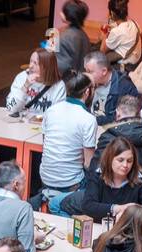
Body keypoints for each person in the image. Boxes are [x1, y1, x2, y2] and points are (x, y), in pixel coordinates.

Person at [38, 74, 98, 214]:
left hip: (45, 177)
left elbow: (45, 143)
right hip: (70, 182)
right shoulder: (88, 119)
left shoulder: (51, 110)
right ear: (87, 92)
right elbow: (88, 164)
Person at [65, 139, 142, 223]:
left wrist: (131, 212)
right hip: (100, 228)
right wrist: (118, 208)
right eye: (120, 160)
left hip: (127, 232)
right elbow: (88, 206)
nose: (125, 165)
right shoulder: (98, 175)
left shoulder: (141, 179)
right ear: (110, 159)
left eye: (129, 161)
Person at [89, 95, 142, 186]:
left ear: (117, 114)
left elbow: (94, 173)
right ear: (139, 115)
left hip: (115, 194)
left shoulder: (107, 139)